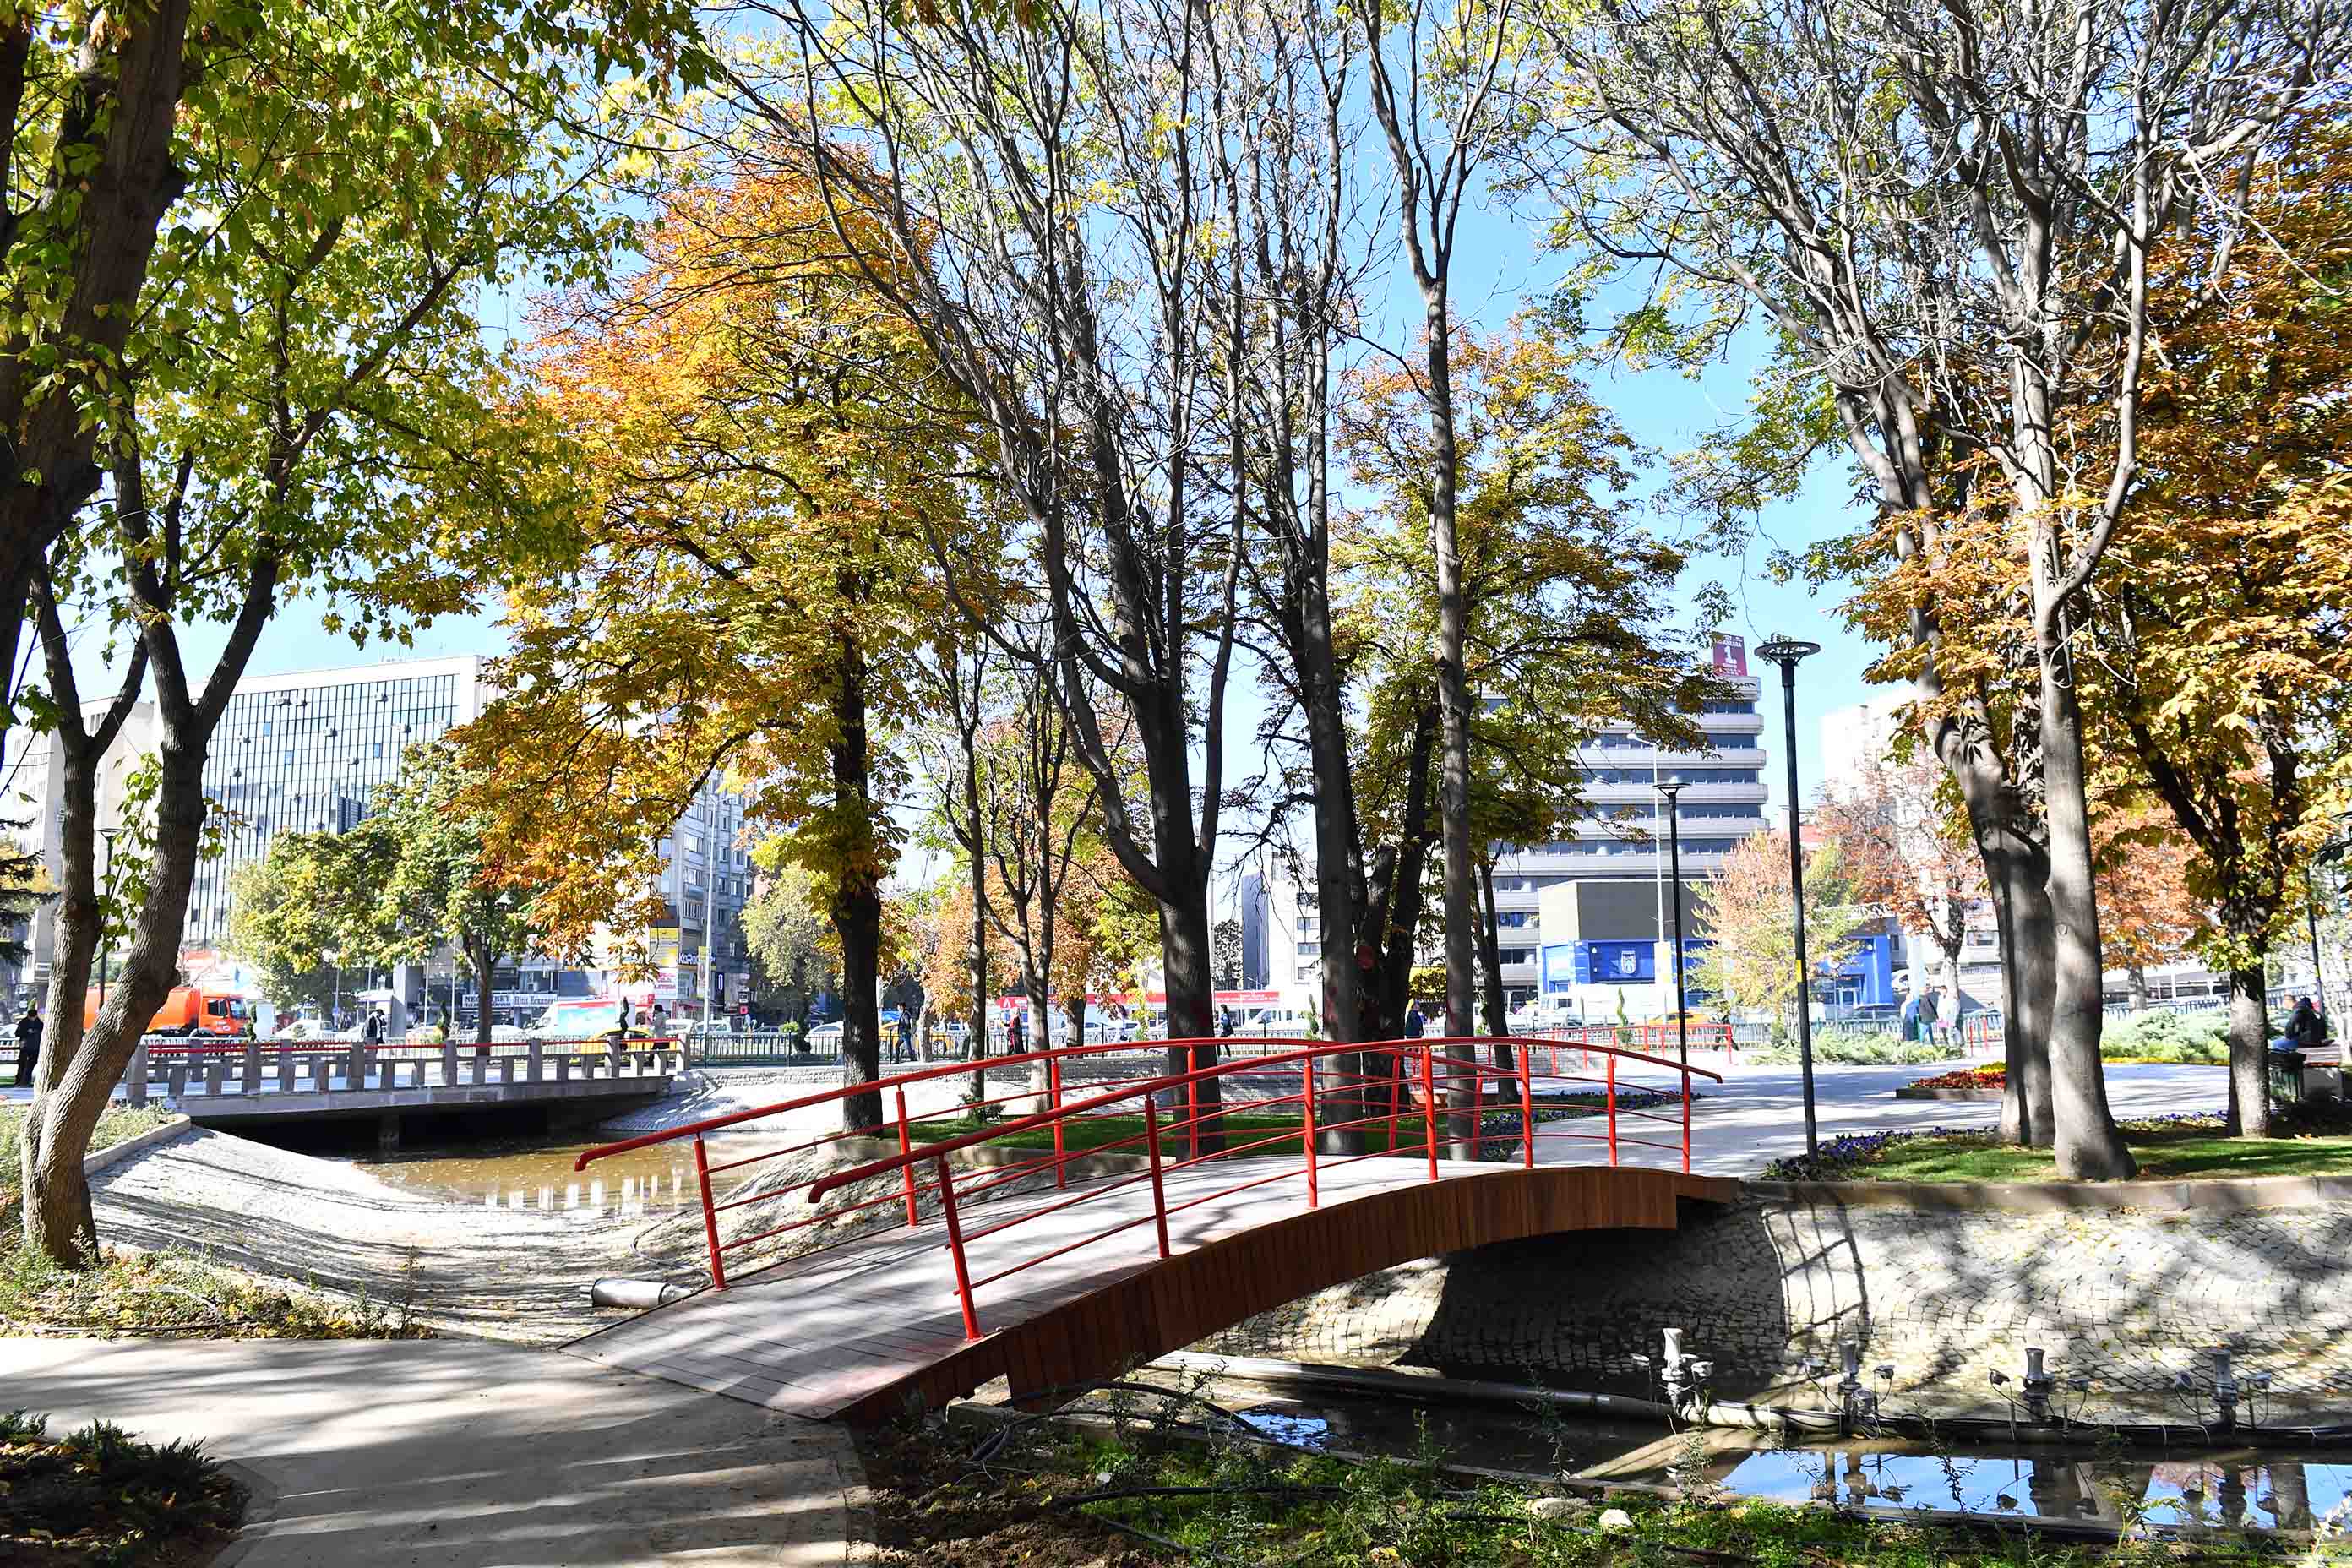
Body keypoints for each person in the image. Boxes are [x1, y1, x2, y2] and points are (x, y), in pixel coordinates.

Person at [12, 1007, 41, 1088]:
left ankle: (26, 1082)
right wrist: (26, 1032)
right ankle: (19, 1081)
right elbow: (17, 1033)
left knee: (30, 1065)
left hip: (35, 1048)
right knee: (22, 1064)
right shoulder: (23, 1022)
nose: (32, 1019)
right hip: (25, 1047)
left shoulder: (39, 1023)